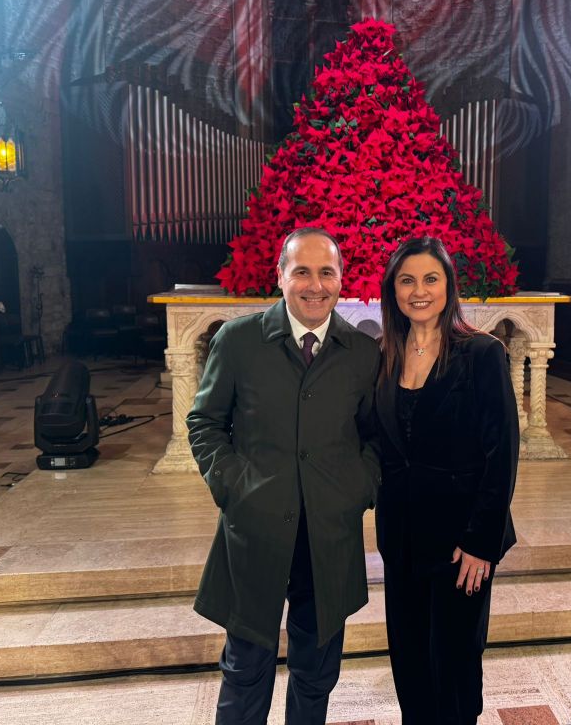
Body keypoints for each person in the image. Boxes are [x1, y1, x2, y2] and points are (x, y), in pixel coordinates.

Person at [187, 227, 381, 725]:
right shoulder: (238, 341)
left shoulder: (363, 352)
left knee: (317, 672)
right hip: (256, 528)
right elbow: (205, 423)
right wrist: (235, 488)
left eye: (327, 272)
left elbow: (377, 437)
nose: (315, 285)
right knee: (245, 669)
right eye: (302, 272)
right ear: (280, 276)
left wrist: (357, 489)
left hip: (329, 533)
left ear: (341, 279)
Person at [374, 236, 520, 725]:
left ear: (448, 285)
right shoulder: (383, 355)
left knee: (454, 669)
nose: (419, 291)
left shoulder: (481, 354)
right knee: (410, 664)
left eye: (430, 279)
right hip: (402, 537)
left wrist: (481, 541)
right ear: (393, 290)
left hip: (462, 543)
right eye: (407, 280)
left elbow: (502, 453)